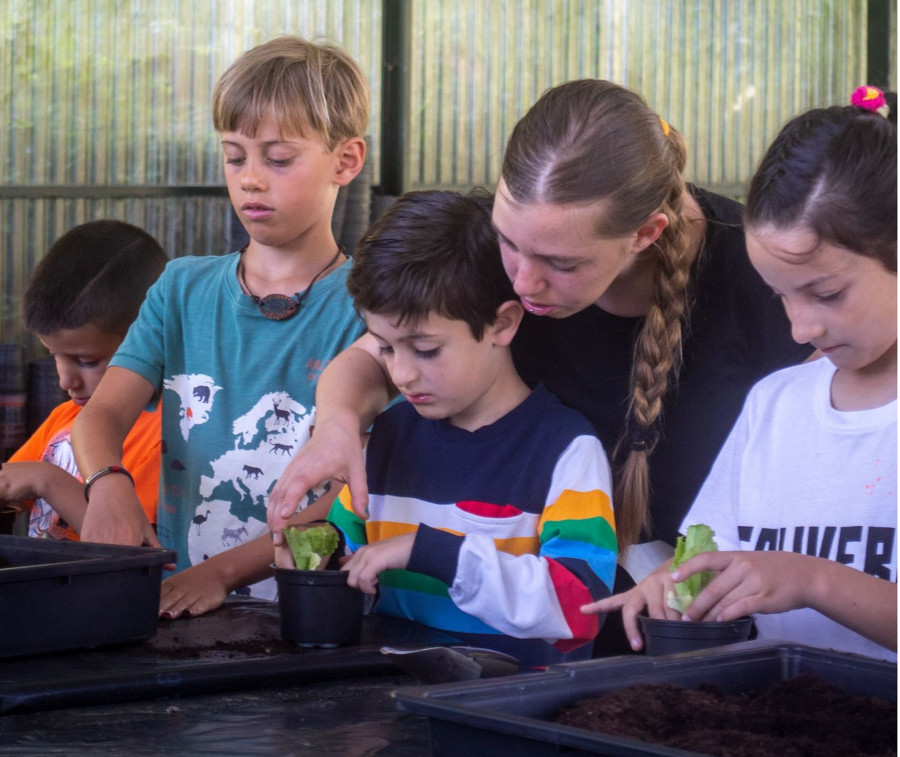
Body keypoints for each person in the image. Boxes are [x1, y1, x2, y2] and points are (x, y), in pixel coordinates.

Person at [266, 79, 813, 653]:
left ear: (646, 233)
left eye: (561, 262)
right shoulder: (500, 254)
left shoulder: (759, 279)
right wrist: (335, 425)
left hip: (697, 622)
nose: (524, 283)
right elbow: (376, 353)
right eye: (509, 240)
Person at [582, 92, 897, 661]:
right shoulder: (774, 404)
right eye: (781, 297)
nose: (800, 329)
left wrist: (813, 580)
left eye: (827, 293)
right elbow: (711, 555)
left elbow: (793, 576)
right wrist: (676, 584)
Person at [72, 35, 369, 615]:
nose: (251, 179)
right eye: (235, 157)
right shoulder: (181, 289)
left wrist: (221, 574)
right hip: (186, 607)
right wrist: (108, 482)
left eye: (278, 159)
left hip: (312, 613)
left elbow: (347, 495)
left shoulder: (371, 308)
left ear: (346, 161)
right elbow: (101, 414)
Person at [274, 190, 616, 668]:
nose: (402, 375)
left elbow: (580, 609)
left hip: (505, 717)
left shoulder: (566, 451)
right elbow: (350, 554)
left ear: (503, 324)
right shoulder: (386, 438)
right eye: (386, 348)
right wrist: (313, 557)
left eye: (426, 349)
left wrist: (431, 552)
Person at [0, 220, 166, 540]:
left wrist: (48, 481)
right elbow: (12, 482)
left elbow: (134, 547)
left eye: (87, 361)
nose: (65, 381)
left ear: (149, 343)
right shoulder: (64, 419)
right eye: (54, 356)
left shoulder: (166, 435)